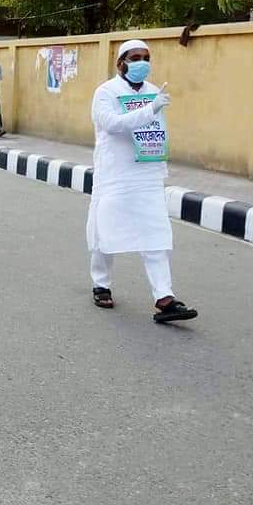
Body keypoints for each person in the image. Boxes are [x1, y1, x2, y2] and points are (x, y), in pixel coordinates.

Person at [87, 39, 198, 324]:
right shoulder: (106, 92)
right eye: (135, 57)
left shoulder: (152, 92)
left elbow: (157, 130)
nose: (141, 63)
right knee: (106, 232)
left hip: (146, 175)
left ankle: (164, 298)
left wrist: (160, 162)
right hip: (114, 174)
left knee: (155, 233)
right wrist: (151, 110)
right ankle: (101, 283)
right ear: (120, 63)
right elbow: (112, 125)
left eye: (146, 57)